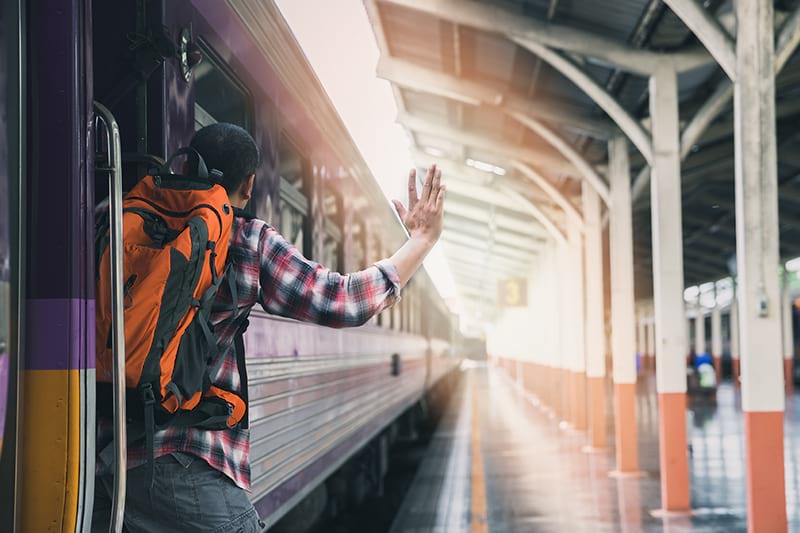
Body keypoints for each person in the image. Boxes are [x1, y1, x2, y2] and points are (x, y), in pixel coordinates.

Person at [91, 123, 446, 532]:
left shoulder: (112, 218)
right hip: (185, 459)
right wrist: (421, 241)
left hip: (103, 460)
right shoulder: (246, 240)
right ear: (250, 184)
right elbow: (342, 300)